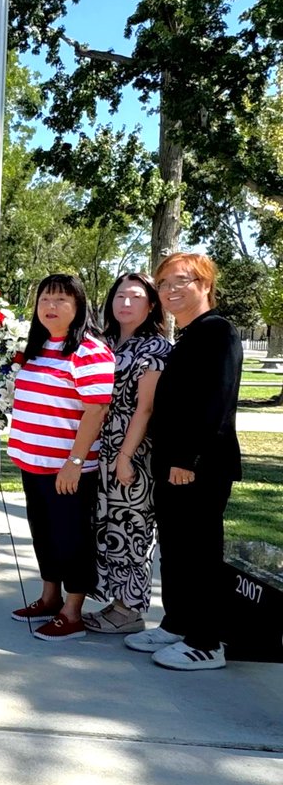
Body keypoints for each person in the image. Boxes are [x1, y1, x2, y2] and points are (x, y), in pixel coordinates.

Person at [126, 253, 242, 670]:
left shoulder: (218, 332)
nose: (170, 290)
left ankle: (207, 642)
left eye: (181, 281)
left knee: (199, 552)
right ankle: (177, 623)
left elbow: (216, 402)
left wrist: (187, 459)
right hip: (173, 464)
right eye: (163, 283)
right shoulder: (191, 334)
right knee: (175, 550)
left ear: (204, 284)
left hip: (197, 465)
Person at [7, 274, 114, 641]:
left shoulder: (89, 351)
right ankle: (49, 597)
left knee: (71, 538)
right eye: (45, 301)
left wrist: (74, 461)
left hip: (67, 468)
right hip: (32, 462)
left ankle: (72, 612)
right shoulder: (36, 348)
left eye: (61, 301)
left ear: (79, 306)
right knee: (44, 534)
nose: (50, 308)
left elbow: (96, 410)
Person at [85, 274, 170, 633]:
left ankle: (129, 610)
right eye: (120, 295)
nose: (126, 303)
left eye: (136, 296)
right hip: (96, 447)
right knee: (103, 525)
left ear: (151, 304)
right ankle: (111, 601)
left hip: (132, 450)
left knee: (131, 527)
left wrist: (124, 457)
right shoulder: (101, 343)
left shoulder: (156, 349)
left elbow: (145, 410)